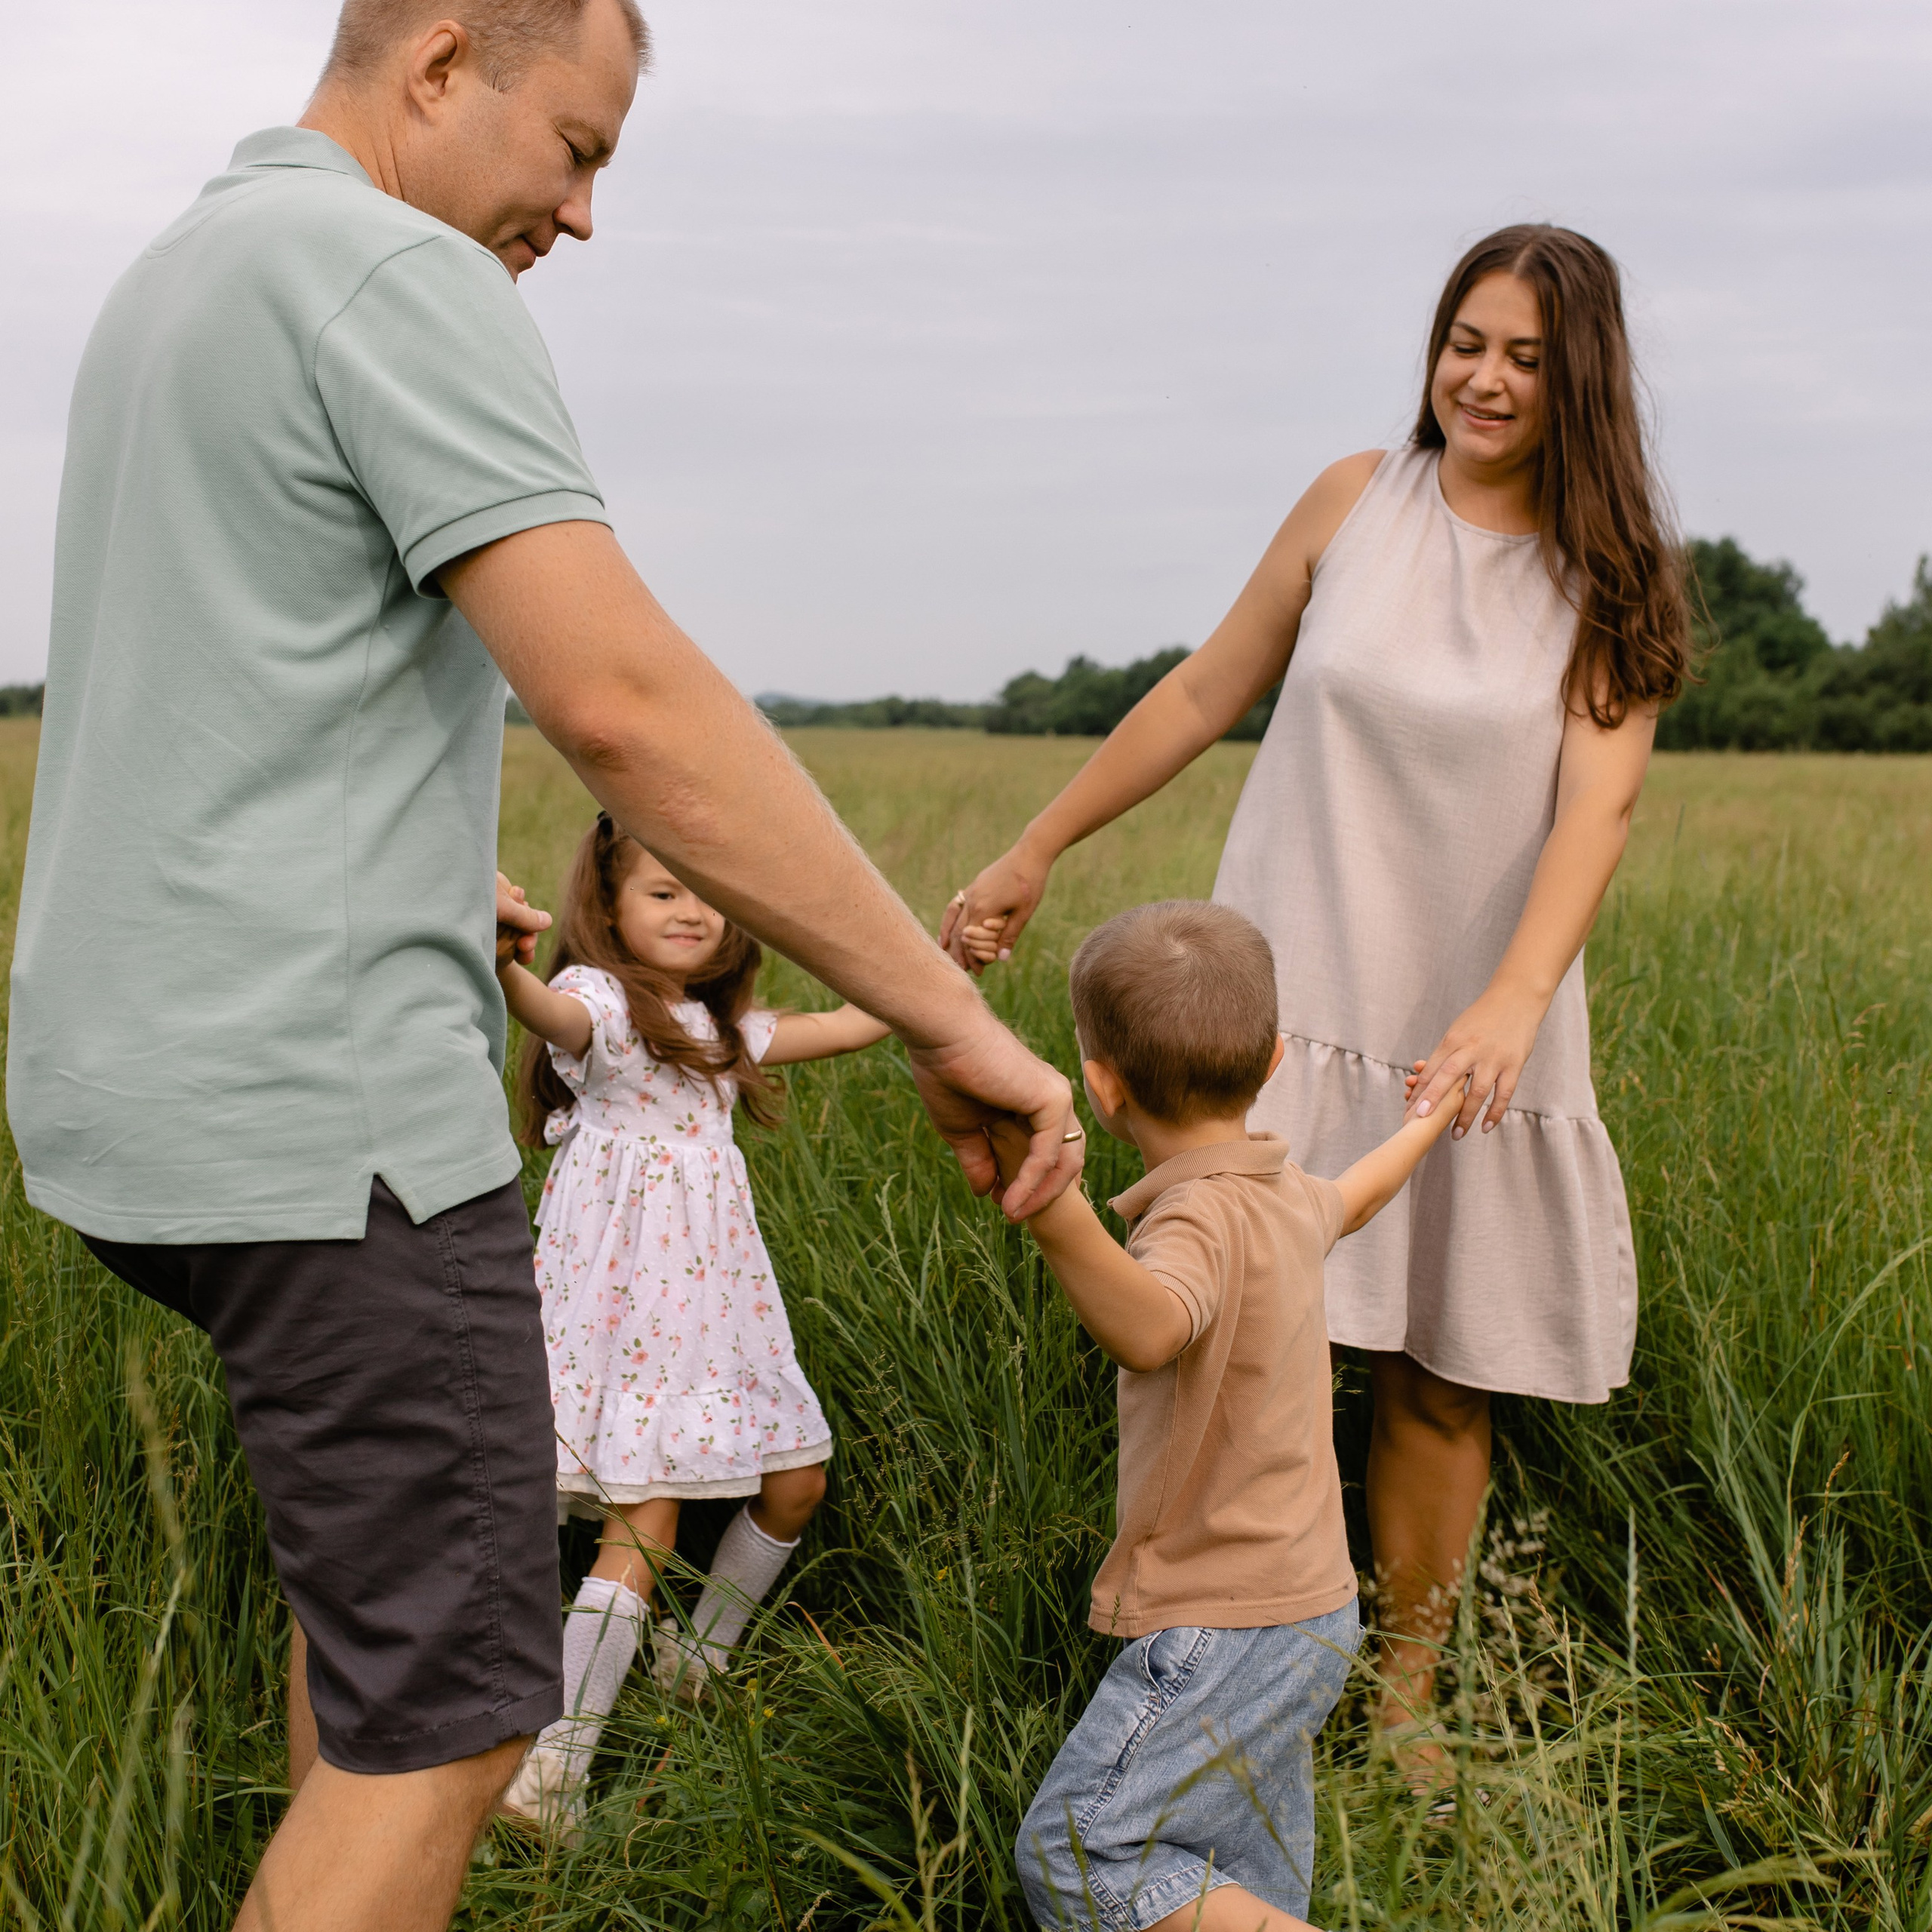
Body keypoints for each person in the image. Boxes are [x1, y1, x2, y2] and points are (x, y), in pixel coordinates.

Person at [6, 4, 1079, 1927]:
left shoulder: (189, 268)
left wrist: (430, 870)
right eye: (572, 147)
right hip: (327, 1123)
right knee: (453, 1720)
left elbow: (228, 675)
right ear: (434, 62)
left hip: (132, 1096)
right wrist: (944, 1010)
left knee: (386, 1632)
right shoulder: (391, 271)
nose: (582, 214)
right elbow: (622, 701)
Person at [944, 225, 1691, 1758]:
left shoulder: (1609, 575)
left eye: (1525, 358)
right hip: (1283, 994)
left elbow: (1594, 810)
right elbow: (1204, 689)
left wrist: (1510, 999)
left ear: (1581, 380)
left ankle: (1401, 1709)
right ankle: (1206, 1673)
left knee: (1433, 1371)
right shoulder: (1356, 498)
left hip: (1477, 1006)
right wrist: (1040, 839)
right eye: (1464, 341)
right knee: (1234, 1338)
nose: (1483, 378)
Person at [988, 901, 1459, 1932]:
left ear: (1103, 1087)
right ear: (1277, 1058)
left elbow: (1155, 1327)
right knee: (1225, 1859)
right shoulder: (1282, 1191)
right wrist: (1429, 1119)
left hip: (1226, 1617)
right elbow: (1361, 1194)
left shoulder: (1196, 1214)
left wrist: (1051, 1206)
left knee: (1080, 1854)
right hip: (1312, 1607)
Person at [491, 814, 890, 1830]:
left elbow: (857, 1021)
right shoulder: (602, 1006)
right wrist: (502, 967)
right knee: (648, 1523)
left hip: (721, 1323)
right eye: (664, 891)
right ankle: (554, 1770)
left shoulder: (722, 1033)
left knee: (797, 1481)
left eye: (711, 893)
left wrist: (943, 961)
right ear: (610, 906)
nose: (693, 911)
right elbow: (549, 1015)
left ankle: (695, 1664)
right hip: (620, 1322)